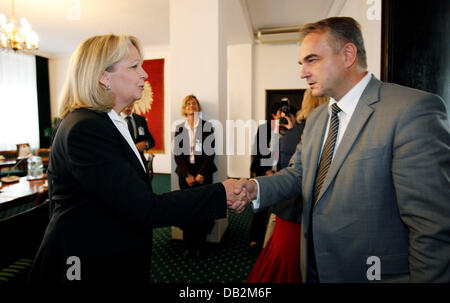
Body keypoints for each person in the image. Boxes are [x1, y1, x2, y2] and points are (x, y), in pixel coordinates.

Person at [229, 17, 450, 282]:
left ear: (347, 55)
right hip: (313, 267)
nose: (303, 73)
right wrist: (256, 188)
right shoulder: (318, 117)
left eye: (312, 60)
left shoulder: (410, 110)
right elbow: (297, 174)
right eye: (302, 64)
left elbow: (431, 228)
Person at [28, 34, 239, 283]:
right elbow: (144, 207)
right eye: (134, 66)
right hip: (84, 264)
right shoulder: (85, 128)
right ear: (104, 77)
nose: (145, 74)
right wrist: (220, 193)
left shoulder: (105, 121)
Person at [246, 89, 328, 283]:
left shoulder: (297, 131)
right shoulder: (273, 130)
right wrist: (268, 173)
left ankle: (267, 248)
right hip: (280, 188)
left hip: (289, 198)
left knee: (278, 241)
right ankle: (258, 241)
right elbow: (260, 154)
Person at [173, 94, 216, 258]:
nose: (191, 105)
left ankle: (201, 246)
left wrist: (201, 174)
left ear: (198, 107)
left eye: (194, 103)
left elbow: (210, 153)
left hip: (203, 174)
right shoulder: (179, 129)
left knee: (203, 210)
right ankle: (188, 245)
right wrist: (187, 175)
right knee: (187, 210)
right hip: (186, 175)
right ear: (184, 109)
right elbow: (177, 155)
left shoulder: (207, 127)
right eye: (188, 103)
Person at [248, 102, 282, 250]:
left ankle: (275, 241)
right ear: (274, 114)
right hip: (264, 172)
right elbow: (258, 152)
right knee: (261, 207)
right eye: (280, 112)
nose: (283, 115)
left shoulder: (290, 130)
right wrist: (268, 170)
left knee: (280, 210)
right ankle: (255, 238)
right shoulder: (264, 129)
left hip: (282, 174)